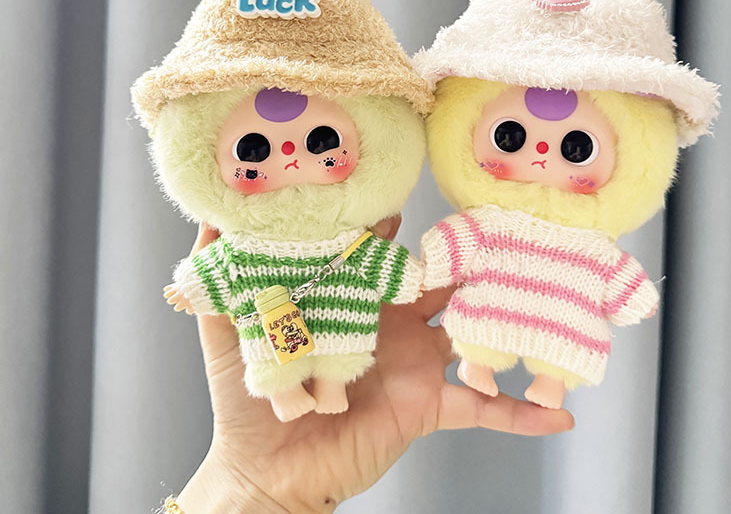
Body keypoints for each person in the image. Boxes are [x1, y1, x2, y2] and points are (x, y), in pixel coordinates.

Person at [166, 218, 574, 513]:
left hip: (343, 329)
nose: (290, 158)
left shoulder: (352, 245)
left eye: (321, 141)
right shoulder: (243, 250)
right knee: (275, 367)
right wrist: (251, 482)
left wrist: (257, 487)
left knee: (341, 360)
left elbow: (393, 268)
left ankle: (331, 390)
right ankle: (288, 394)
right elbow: (210, 271)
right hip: (275, 334)